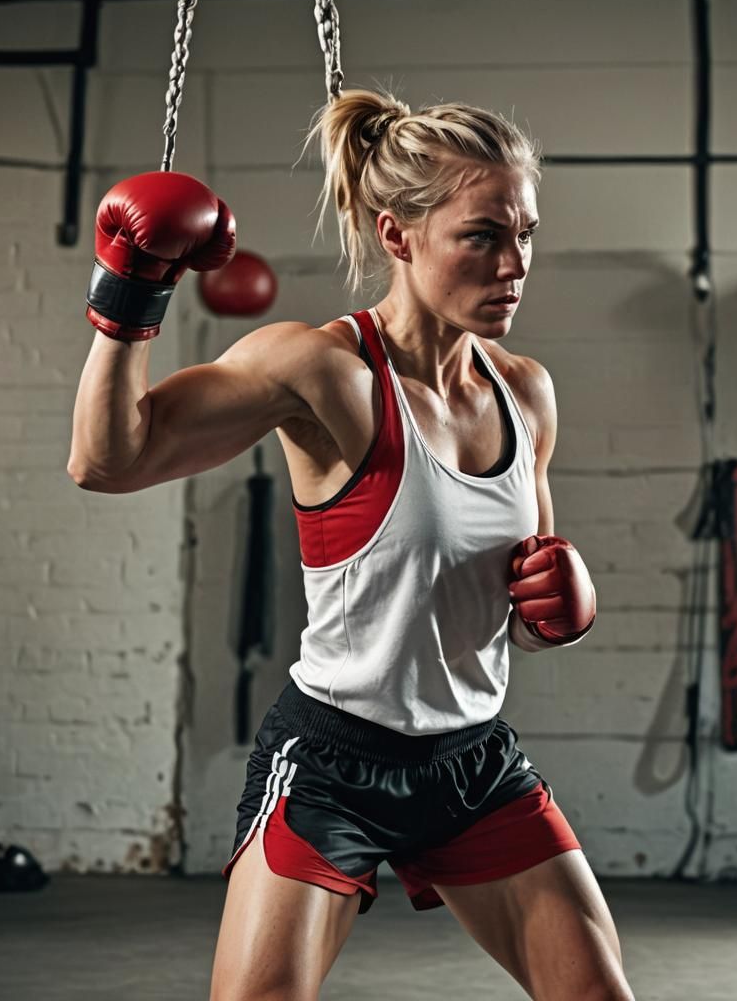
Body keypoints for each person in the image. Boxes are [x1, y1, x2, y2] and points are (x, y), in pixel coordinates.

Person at [68, 88, 634, 1001]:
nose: (515, 263)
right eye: (483, 235)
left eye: (526, 232)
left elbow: (513, 618)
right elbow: (107, 460)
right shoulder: (323, 370)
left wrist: (561, 614)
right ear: (398, 236)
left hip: (473, 764)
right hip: (332, 764)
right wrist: (131, 286)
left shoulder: (527, 394)